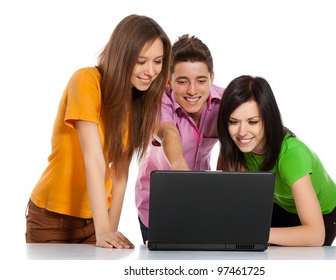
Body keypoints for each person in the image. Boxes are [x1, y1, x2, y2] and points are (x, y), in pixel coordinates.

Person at [25, 14, 171, 249]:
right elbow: (93, 159)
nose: (151, 71)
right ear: (122, 56)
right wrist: (103, 231)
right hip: (52, 220)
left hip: (96, 220)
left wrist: (107, 233)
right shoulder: (86, 80)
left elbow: (120, 176)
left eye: (158, 61)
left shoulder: (138, 102)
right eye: (141, 61)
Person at [217, 75, 336, 246]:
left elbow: (315, 235)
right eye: (233, 122)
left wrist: (254, 232)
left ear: (268, 119)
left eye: (252, 122)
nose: (242, 132)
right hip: (280, 206)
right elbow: (229, 198)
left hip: (321, 216)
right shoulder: (234, 146)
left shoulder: (292, 154)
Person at [135, 34, 224, 243]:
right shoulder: (157, 102)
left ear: (212, 78)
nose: (192, 91)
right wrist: (180, 168)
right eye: (182, 82)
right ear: (168, 80)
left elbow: (252, 124)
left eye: (201, 81)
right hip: (156, 207)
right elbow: (168, 133)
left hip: (202, 203)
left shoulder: (225, 102)